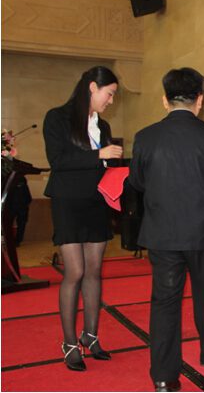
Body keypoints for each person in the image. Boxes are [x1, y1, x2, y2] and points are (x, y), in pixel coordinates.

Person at [128, 68, 204, 392]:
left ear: (165, 100)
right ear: (200, 100)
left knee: (164, 302)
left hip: (162, 232)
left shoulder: (146, 137)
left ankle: (164, 377)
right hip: (203, 231)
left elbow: (136, 181)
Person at [43, 66, 123, 371]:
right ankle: (68, 342)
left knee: (94, 271)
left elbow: (104, 166)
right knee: (74, 272)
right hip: (67, 201)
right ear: (92, 87)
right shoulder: (57, 117)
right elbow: (58, 160)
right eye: (109, 94)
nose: (111, 101)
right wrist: (99, 155)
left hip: (96, 201)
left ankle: (90, 335)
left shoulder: (103, 125)